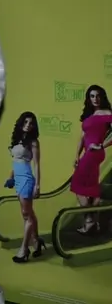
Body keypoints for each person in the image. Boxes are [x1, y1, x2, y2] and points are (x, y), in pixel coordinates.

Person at [3, 112, 45, 262]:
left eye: (31, 123)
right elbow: (15, 161)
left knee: (27, 215)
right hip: (18, 179)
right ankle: (36, 241)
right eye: (26, 122)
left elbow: (37, 165)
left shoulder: (33, 142)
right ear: (21, 123)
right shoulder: (17, 140)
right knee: (27, 214)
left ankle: (24, 249)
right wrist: (11, 177)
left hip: (27, 179)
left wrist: (38, 185)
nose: (28, 125)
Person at [70, 84, 112, 234]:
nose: (95, 99)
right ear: (88, 98)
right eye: (92, 96)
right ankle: (94, 222)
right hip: (87, 154)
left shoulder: (107, 113)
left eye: (98, 96)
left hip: (94, 153)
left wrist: (101, 146)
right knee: (92, 187)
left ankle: (89, 221)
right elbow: (82, 137)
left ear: (103, 97)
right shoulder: (89, 115)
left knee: (76, 185)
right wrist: (76, 155)